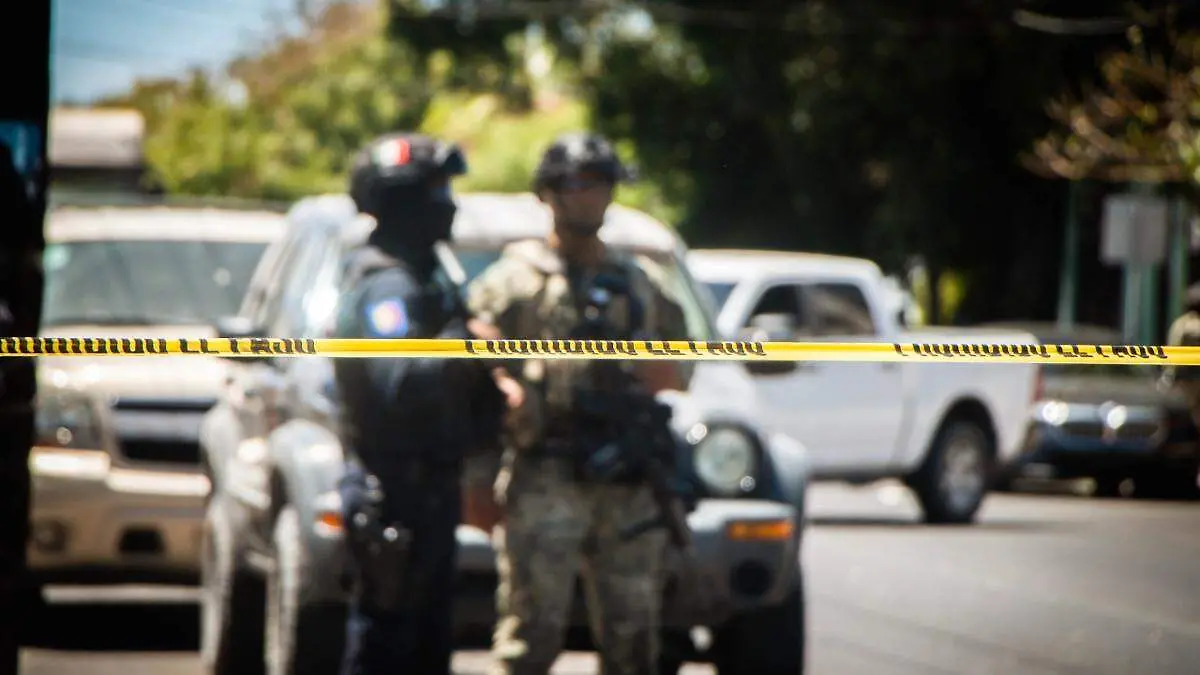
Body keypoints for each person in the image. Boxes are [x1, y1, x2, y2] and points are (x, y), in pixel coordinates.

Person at [465, 131, 691, 675]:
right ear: (548, 193)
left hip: (628, 482)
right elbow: (469, 368)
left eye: (600, 184)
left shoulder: (638, 284)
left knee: (634, 642)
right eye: (576, 184)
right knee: (529, 641)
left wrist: (657, 367)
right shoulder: (512, 282)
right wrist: (499, 388)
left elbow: (680, 369)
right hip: (546, 472)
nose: (589, 196)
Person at [332, 132, 505, 675]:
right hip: (396, 489)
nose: (449, 203)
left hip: (429, 486)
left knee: (428, 645)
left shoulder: (426, 273)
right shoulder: (388, 286)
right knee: (389, 643)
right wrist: (467, 346)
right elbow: (400, 381)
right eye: (437, 189)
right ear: (403, 200)